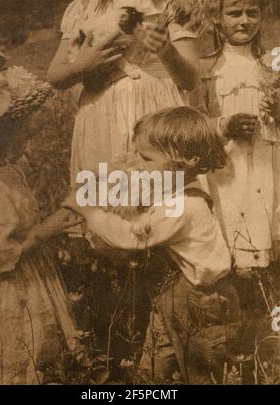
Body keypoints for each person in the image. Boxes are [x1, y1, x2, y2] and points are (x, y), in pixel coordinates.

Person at [62, 107, 242, 384]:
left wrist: (88, 211)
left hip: (202, 303)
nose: (139, 163)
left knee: (202, 371)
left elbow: (130, 237)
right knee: (158, 364)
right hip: (177, 296)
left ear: (187, 160)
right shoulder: (178, 196)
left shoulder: (184, 206)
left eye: (146, 158)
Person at [0, 41, 82, 384]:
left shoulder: (8, 171)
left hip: (34, 278)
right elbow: (1, 253)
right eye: (17, 129)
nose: (25, 136)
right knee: (14, 355)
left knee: (42, 353)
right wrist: (48, 228)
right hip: (6, 290)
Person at [47, 0, 200, 184]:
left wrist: (166, 50)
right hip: (102, 114)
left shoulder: (172, 5)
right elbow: (55, 76)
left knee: (161, 192)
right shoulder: (85, 7)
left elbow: (190, 81)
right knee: (108, 193)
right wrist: (81, 66)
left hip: (157, 113)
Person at [191, 0, 280, 283]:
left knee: (267, 206)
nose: (244, 21)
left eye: (252, 13)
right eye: (234, 13)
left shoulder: (272, 64)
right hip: (227, 164)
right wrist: (226, 125)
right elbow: (194, 121)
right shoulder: (208, 68)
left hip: (268, 159)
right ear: (217, 18)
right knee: (230, 216)